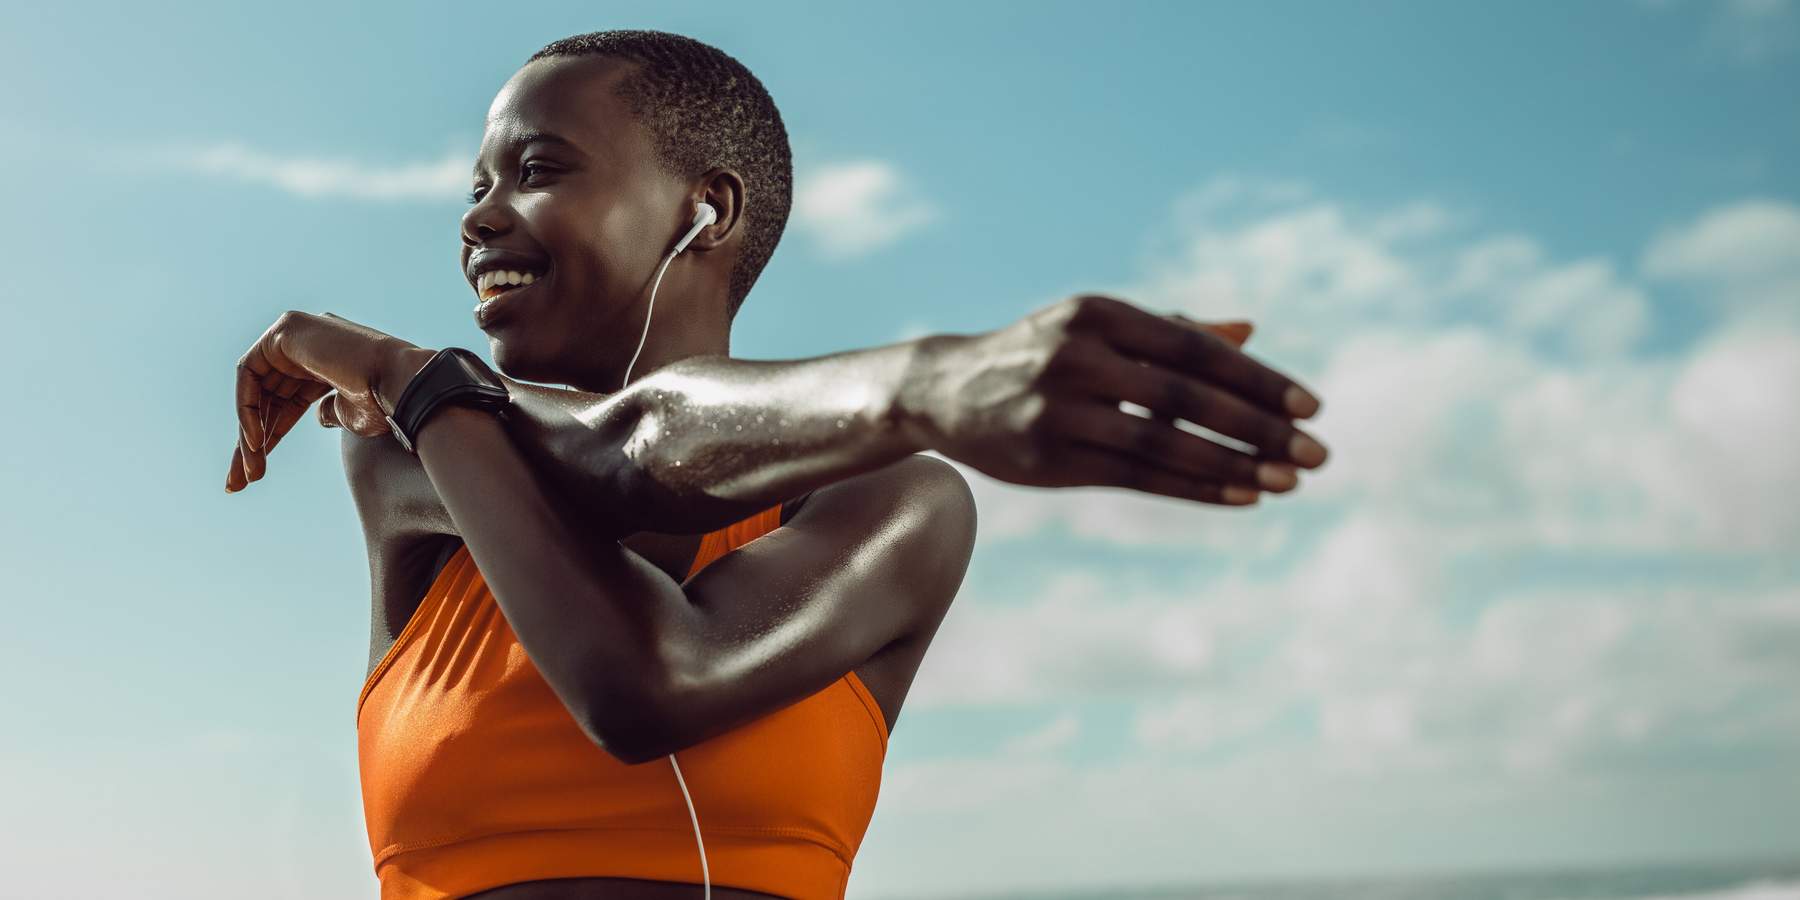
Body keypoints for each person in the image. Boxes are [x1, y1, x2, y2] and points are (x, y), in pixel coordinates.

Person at [224, 29, 1328, 900]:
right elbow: (608, 454)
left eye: (539, 169)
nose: (480, 217)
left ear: (708, 210)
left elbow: (655, 660)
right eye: (476, 186)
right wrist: (937, 384)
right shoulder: (412, 455)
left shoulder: (894, 504)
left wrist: (413, 371)